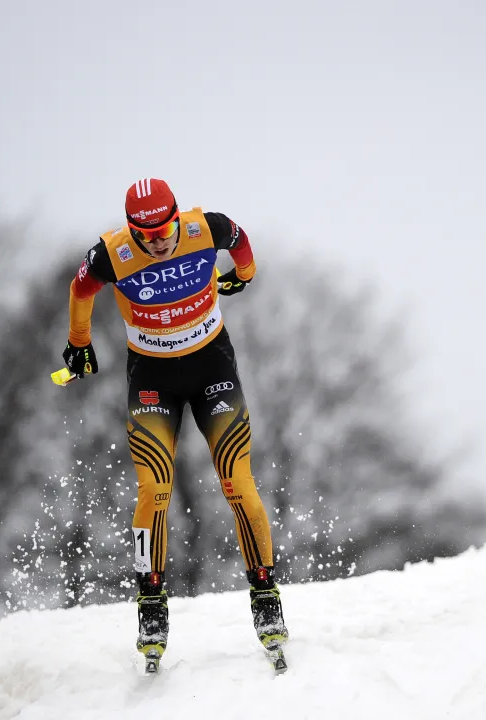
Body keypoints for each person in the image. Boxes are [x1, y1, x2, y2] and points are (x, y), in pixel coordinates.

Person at [61, 177, 289, 664]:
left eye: (166, 230)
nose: (160, 242)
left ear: (176, 217)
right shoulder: (111, 254)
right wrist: (78, 342)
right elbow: (81, 287)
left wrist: (244, 275)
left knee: (237, 482)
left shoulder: (205, 228)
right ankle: (151, 605)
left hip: (213, 368)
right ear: (132, 231)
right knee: (155, 490)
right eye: (148, 236)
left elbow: (241, 240)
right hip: (152, 378)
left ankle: (266, 596)